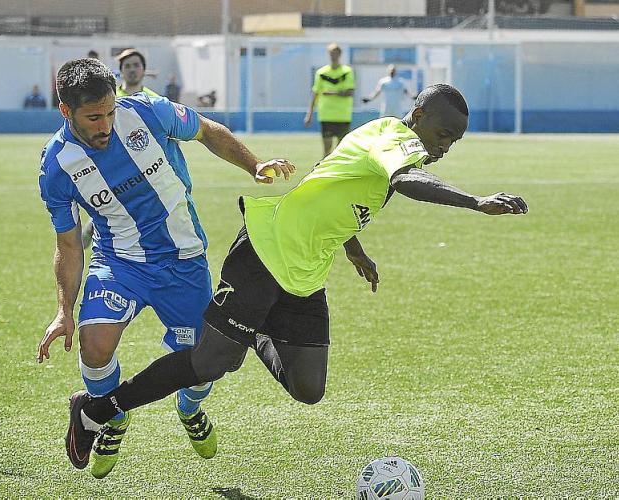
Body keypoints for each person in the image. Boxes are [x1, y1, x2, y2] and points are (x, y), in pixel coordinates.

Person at [64, 84, 529, 463]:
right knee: (211, 362)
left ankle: (251, 329)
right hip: (265, 251)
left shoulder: (382, 138)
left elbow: (328, 183)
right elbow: (405, 180)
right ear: (419, 114)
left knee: (308, 387)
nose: (443, 147)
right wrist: (476, 202)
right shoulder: (396, 138)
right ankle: (96, 410)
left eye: (453, 141)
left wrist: (354, 249)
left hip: (304, 272)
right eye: (442, 134)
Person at [37, 58, 295, 478]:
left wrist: (254, 165)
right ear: (66, 111)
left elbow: (207, 130)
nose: (105, 125)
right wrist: (64, 310)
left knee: (204, 363)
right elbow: (68, 244)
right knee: (94, 343)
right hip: (119, 261)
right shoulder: (56, 165)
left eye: (110, 112)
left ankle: (190, 408)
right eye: (93, 118)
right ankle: (111, 415)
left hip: (183, 260)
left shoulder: (147, 110)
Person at [80, 48, 161, 249]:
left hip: (146, 168)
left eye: (136, 65)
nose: (132, 69)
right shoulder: (110, 98)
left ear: (143, 70)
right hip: (112, 165)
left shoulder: (154, 101)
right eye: (127, 66)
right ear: (121, 70)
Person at [304, 43, 355, 158]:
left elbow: (350, 92)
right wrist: (309, 114)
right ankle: (325, 169)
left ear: (340, 54)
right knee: (327, 150)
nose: (333, 56)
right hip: (326, 115)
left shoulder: (347, 71)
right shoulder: (321, 73)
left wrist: (332, 92)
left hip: (343, 115)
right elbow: (315, 93)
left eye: (335, 53)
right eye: (331, 53)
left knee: (342, 150)